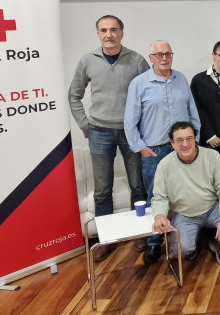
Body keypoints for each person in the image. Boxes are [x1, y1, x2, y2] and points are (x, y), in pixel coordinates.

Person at [68, 15, 149, 261]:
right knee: (102, 189)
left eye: (113, 30)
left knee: (138, 184)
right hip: (99, 133)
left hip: (130, 132)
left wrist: (142, 127)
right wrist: (85, 124)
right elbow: (74, 95)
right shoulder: (87, 61)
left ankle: (141, 233)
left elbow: (149, 94)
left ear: (122, 33)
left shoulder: (137, 61)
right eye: (103, 30)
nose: (108, 34)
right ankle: (106, 238)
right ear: (98, 34)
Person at [124, 40, 201, 265]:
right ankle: (154, 244)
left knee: (184, 194)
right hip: (154, 151)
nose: (164, 58)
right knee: (155, 197)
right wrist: (141, 148)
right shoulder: (139, 84)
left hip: (182, 149)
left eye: (167, 54)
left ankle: (183, 237)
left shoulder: (181, 80)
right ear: (151, 58)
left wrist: (193, 139)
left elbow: (192, 112)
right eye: (159, 55)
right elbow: (130, 120)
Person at [151, 122, 220, 266]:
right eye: (179, 140)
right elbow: (160, 197)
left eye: (189, 138)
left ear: (195, 139)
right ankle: (193, 242)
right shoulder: (164, 165)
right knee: (182, 251)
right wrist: (159, 215)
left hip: (211, 208)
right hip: (184, 214)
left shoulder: (213, 156)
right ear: (172, 144)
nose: (185, 144)